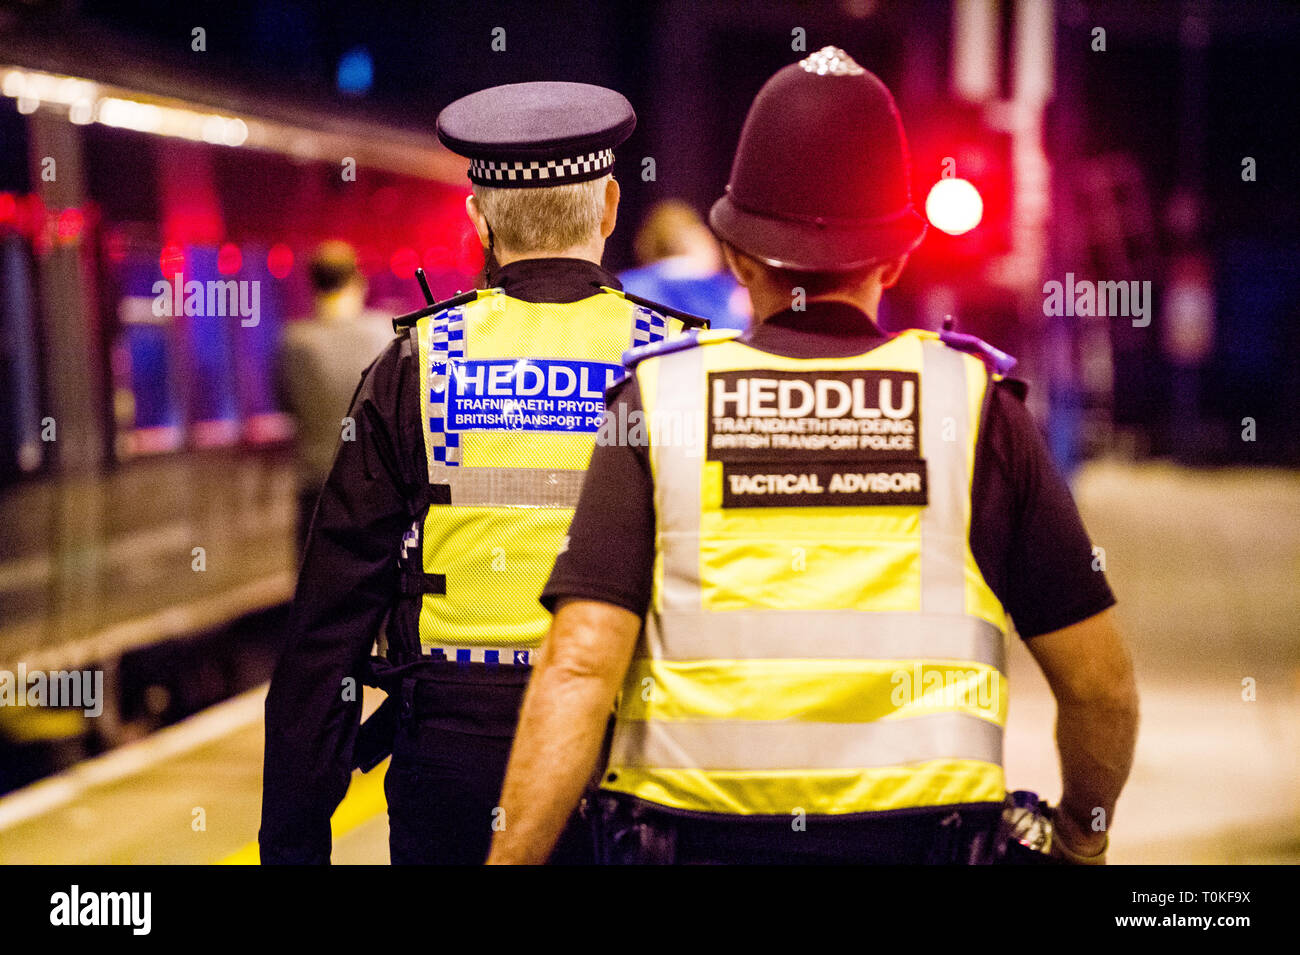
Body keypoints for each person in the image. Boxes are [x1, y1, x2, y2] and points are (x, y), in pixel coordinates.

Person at [488, 48, 1139, 865]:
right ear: (896, 257)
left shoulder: (660, 403)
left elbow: (580, 664)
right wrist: (1082, 828)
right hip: (924, 844)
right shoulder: (975, 408)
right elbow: (1100, 684)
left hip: (694, 845)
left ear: (735, 256)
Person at [259, 81, 704, 865]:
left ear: (478, 219)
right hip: (639, 754)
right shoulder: (680, 361)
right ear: (607, 208)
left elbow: (325, 631)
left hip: (454, 760)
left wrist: (294, 842)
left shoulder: (414, 363)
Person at [276, 241, 392, 558]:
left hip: (317, 487)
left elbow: (287, 404)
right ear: (358, 281)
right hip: (376, 489)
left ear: (313, 284)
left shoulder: (294, 341)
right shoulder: (384, 333)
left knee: (317, 594)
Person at [619, 200, 750, 331]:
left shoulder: (625, 284)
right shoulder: (719, 292)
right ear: (696, 239)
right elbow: (724, 335)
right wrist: (740, 312)